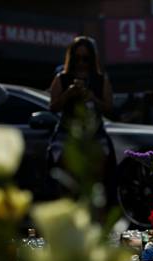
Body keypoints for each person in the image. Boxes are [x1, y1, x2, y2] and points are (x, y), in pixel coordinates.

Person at [48, 36, 116, 205]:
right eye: (77, 58)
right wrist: (68, 94)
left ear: (92, 59)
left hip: (94, 132)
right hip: (67, 132)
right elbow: (53, 106)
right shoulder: (62, 78)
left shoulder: (101, 80)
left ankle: (96, 209)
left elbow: (109, 108)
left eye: (85, 59)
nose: (81, 63)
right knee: (64, 173)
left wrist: (93, 98)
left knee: (98, 175)